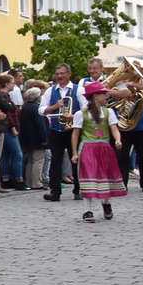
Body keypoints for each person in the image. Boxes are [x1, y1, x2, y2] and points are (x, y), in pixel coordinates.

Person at [73, 81, 124, 222]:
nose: (106, 95)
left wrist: (118, 140)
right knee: (88, 175)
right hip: (88, 146)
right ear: (95, 96)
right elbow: (75, 134)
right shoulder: (81, 114)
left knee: (105, 176)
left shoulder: (108, 112)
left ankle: (106, 203)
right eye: (103, 93)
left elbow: (114, 128)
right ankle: (87, 210)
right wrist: (75, 153)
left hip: (104, 146)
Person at [40, 64, 84, 202]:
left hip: (73, 131)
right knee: (55, 160)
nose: (60, 76)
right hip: (56, 130)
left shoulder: (78, 90)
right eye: (58, 73)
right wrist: (55, 107)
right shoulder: (50, 91)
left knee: (75, 160)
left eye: (63, 73)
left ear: (69, 74)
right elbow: (41, 110)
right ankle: (55, 192)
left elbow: (86, 109)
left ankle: (78, 190)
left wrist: (73, 116)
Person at [0, 73, 23, 189]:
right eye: (12, 82)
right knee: (17, 154)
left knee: (6, 154)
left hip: (7, 127)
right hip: (8, 128)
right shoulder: (2, 96)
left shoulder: (5, 95)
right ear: (6, 84)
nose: (14, 84)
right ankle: (18, 179)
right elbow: (8, 112)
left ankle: (5, 177)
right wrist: (13, 127)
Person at [19, 86, 49, 192]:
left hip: (27, 138)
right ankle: (37, 182)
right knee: (38, 161)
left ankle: (29, 181)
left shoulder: (25, 106)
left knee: (30, 161)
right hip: (37, 138)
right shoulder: (36, 108)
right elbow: (40, 125)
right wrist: (44, 138)